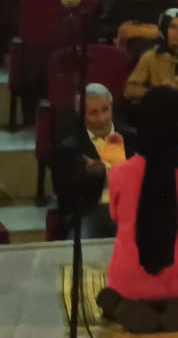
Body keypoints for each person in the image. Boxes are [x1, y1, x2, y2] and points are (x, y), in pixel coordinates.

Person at [98, 88, 178, 333]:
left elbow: (116, 217)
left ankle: (122, 306)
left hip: (129, 281)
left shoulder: (120, 172)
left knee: (106, 295)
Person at [51, 83, 135, 238]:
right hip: (89, 212)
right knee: (85, 244)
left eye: (105, 110)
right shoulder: (68, 144)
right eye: (93, 113)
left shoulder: (133, 138)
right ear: (81, 114)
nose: (102, 118)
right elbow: (62, 193)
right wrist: (89, 175)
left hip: (131, 210)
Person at [125, 8, 178, 99]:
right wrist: (160, 92)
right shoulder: (150, 57)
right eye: (172, 27)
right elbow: (130, 90)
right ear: (163, 30)